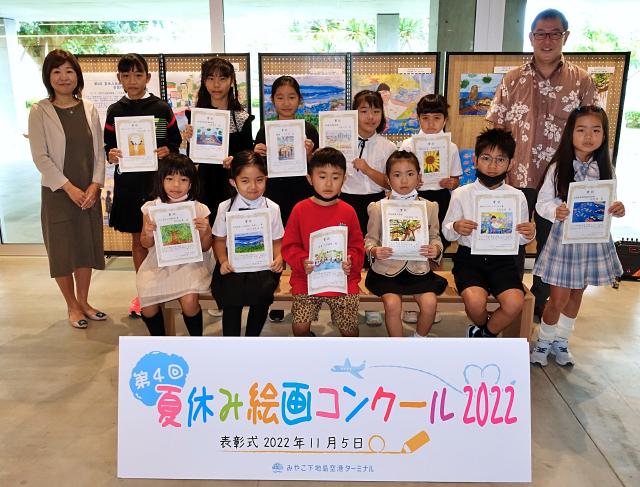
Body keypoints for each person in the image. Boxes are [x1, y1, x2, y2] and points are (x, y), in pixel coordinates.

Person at [486, 8, 597, 321]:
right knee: (513, 237)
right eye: (541, 34)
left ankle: (540, 304)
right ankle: (512, 299)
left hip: (563, 178)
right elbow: (495, 129)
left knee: (551, 243)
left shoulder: (582, 81)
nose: (547, 40)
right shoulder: (512, 79)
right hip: (516, 175)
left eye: (554, 34)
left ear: (565, 37)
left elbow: (592, 128)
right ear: (531, 37)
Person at [530, 106, 624, 366]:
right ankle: (544, 342)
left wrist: (617, 208)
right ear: (570, 133)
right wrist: (556, 210)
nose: (588, 136)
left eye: (596, 130)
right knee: (558, 298)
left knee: (576, 295)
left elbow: (609, 202)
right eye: (581, 130)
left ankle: (561, 341)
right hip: (564, 241)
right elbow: (542, 203)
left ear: (604, 134)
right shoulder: (558, 167)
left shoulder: (606, 168)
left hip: (592, 241)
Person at [28, 49, 106, 329]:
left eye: (69, 71)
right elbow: (40, 157)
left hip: (88, 192)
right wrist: (69, 188)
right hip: (58, 193)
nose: (64, 77)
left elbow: (99, 151)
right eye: (57, 71)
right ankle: (72, 306)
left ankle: (84, 301)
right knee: (62, 251)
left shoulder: (89, 108)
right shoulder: (39, 111)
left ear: (77, 75)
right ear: (48, 77)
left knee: (85, 246)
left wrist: (96, 184)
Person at [104, 53, 182, 317]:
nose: (132, 80)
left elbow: (174, 141)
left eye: (138, 75)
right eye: (126, 75)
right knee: (138, 240)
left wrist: (167, 150)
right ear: (119, 78)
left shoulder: (161, 108)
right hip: (128, 184)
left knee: (164, 237)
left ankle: (168, 289)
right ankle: (145, 292)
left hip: (157, 183)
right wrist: (111, 154)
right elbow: (108, 146)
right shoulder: (115, 110)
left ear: (148, 77)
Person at [442, 128, 536, 338]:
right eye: (486, 158)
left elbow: (521, 239)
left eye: (500, 159)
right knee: (475, 303)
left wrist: (529, 233)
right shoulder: (461, 194)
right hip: (469, 260)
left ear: (510, 164)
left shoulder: (517, 196)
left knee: (515, 302)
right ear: (475, 160)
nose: (492, 166)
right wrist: (455, 227)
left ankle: (484, 334)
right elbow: (447, 232)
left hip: (503, 261)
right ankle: (486, 330)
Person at [253, 75, 319, 322]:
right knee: (276, 244)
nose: (286, 102)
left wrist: (310, 154)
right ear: (272, 101)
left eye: (291, 97)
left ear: (299, 100)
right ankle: (276, 296)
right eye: (280, 97)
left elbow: (317, 168)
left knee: (302, 243)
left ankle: (304, 296)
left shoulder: (308, 129)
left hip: (302, 193)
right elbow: (258, 169)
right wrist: (257, 153)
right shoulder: (265, 130)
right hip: (275, 193)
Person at [282, 147, 365, 337]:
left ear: (344, 179)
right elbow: (289, 246)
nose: (328, 183)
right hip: (307, 278)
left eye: (335, 177)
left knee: (350, 330)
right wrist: (302, 261)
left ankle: (349, 352)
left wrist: (351, 260)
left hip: (342, 280)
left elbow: (357, 246)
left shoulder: (348, 211)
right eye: (322, 176)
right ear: (310, 179)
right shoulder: (300, 209)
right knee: (299, 328)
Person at [364, 150, 448, 337]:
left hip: (418, 270)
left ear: (419, 177)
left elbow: (435, 236)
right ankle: (398, 347)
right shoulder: (378, 208)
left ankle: (418, 340)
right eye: (397, 175)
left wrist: (435, 249)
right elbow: (370, 240)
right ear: (388, 179)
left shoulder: (429, 207)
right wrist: (375, 251)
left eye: (410, 174)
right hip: (386, 271)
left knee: (430, 303)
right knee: (392, 304)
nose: (404, 180)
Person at [137, 154, 213, 336]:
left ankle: (197, 341)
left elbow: (205, 247)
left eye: (183, 179)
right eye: (170, 179)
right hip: (159, 263)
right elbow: (144, 242)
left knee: (189, 302)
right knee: (147, 306)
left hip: (192, 263)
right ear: (161, 181)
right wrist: (148, 233)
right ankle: (161, 342)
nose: (176, 185)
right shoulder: (151, 208)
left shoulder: (199, 208)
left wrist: (206, 232)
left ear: (191, 183)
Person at [211, 151, 284, 336]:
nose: (253, 186)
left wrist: (279, 258)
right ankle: (232, 341)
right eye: (245, 181)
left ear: (266, 179)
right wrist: (223, 260)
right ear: (233, 182)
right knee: (231, 295)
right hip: (232, 264)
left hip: (262, 265)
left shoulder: (273, 208)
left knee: (263, 294)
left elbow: (277, 240)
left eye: (259, 180)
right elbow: (219, 240)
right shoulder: (225, 207)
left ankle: (252, 338)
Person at [340, 90, 395, 326]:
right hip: (346, 202)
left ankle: (372, 304)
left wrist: (367, 169)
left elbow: (390, 183)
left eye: (376, 111)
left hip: (375, 203)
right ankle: (348, 301)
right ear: (354, 113)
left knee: (373, 253)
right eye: (364, 111)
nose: (370, 117)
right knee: (350, 253)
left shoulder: (387, 146)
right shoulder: (340, 141)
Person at [185, 58, 254, 225]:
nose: (216, 85)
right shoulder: (197, 116)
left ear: (231, 81)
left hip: (232, 185)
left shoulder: (242, 118)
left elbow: (248, 156)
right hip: (205, 183)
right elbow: (193, 158)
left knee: (232, 229)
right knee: (206, 230)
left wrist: (235, 161)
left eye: (222, 78)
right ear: (204, 81)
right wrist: (189, 139)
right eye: (210, 78)